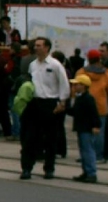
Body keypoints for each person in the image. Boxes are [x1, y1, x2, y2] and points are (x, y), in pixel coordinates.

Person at [19, 36, 70, 181]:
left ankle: (49, 168)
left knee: (50, 139)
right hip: (35, 102)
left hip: (50, 103)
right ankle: (27, 168)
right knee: (30, 138)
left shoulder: (55, 65)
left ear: (47, 48)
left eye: (39, 45)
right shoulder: (33, 65)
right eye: (35, 45)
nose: (36, 48)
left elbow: (64, 83)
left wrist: (62, 102)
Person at [75, 49, 108, 164]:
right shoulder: (106, 73)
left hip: (83, 107)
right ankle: (98, 155)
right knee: (99, 133)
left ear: (88, 59)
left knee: (83, 133)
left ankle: (85, 155)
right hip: (101, 107)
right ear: (99, 59)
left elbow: (74, 89)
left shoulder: (81, 72)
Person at [67, 75, 101, 184]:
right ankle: (85, 171)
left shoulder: (88, 98)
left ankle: (91, 173)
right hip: (81, 128)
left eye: (77, 84)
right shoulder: (80, 97)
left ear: (84, 86)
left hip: (87, 128)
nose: (75, 86)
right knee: (83, 151)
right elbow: (75, 112)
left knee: (88, 150)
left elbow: (94, 113)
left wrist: (96, 126)